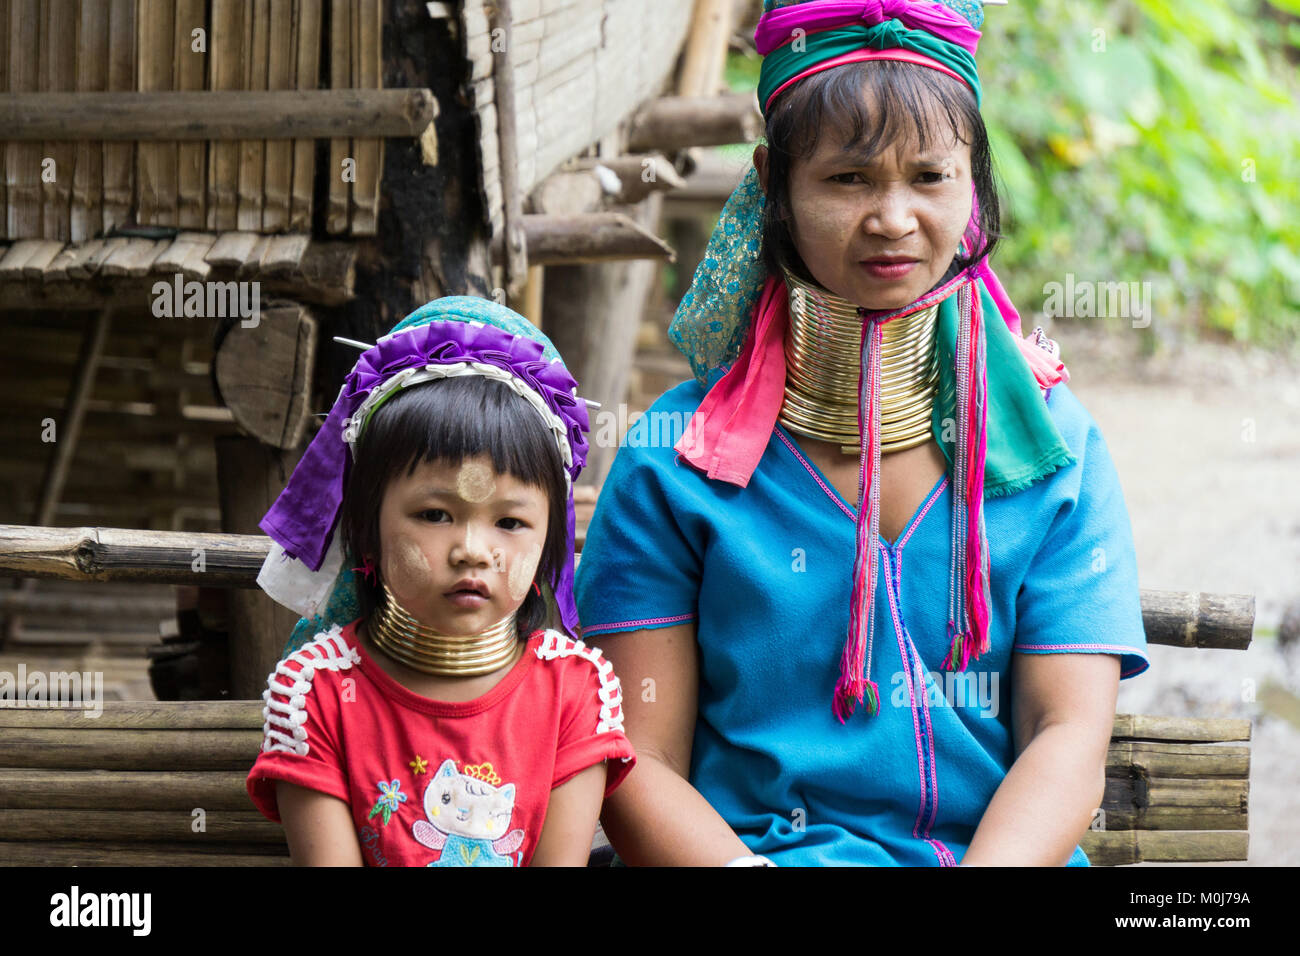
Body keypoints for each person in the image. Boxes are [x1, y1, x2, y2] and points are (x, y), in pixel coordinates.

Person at [575, 0, 1149, 866]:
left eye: (930, 176)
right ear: (773, 185)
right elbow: (636, 759)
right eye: (847, 179)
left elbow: (1066, 735)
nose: (892, 218)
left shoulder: (1054, 455)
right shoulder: (673, 461)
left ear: (974, 181)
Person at [245, 296, 634, 866]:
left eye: (509, 522)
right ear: (366, 529)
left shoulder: (576, 692)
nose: (472, 551)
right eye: (434, 515)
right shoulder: (315, 695)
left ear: (551, 539)